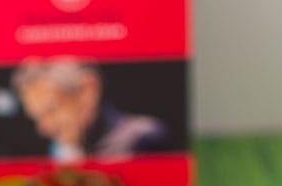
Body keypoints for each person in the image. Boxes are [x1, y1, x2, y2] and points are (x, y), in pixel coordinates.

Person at [11, 58, 168, 159]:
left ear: (88, 89)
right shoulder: (62, 147)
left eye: (51, 110)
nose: (43, 129)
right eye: (37, 118)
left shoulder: (142, 136)